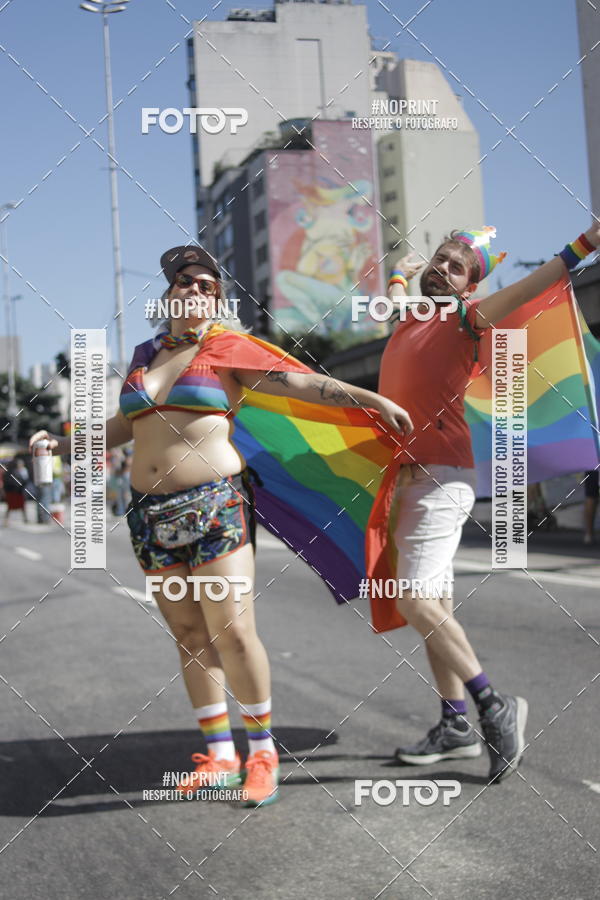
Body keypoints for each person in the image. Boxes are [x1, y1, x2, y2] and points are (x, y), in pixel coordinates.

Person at [30, 244, 413, 808]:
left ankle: (261, 755)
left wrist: (368, 398)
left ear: (218, 300)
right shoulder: (144, 356)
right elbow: (125, 426)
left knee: (231, 631)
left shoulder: (228, 348)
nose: (193, 288)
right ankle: (219, 756)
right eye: (183, 281)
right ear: (167, 295)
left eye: (206, 284)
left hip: (215, 505)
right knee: (188, 635)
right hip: (149, 514)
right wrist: (63, 443)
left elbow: (298, 383)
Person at [367, 223, 600, 783]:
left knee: (415, 599)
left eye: (456, 267)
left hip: (441, 479)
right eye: (439, 260)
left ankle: (493, 706)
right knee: (435, 609)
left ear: (469, 287)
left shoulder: (468, 319)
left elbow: (536, 283)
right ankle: (454, 726)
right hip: (405, 479)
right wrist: (398, 271)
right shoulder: (410, 317)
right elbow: (395, 297)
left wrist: (587, 242)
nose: (442, 270)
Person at [2, 457, 30, 526]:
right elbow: (22, 481)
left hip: (12, 492)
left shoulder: (7, 473)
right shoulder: (15, 472)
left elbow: (5, 483)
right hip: (17, 492)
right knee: (19, 506)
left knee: (11, 507)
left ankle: (7, 520)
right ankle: (25, 519)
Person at [583, 469, 599, 544]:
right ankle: (589, 534)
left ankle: (588, 534)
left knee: (591, 497)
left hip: (592, 466)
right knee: (591, 498)